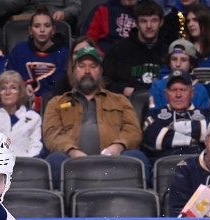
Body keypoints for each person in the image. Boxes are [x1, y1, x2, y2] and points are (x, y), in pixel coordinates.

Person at [43, 44, 149, 187]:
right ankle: (64, 207)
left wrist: (118, 146)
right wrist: (72, 151)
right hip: (72, 162)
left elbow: (133, 130)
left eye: (93, 66)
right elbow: (51, 134)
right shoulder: (56, 103)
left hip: (112, 161)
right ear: (73, 71)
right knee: (55, 160)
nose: (87, 71)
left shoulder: (120, 100)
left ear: (100, 71)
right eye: (82, 66)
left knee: (138, 158)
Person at [5, 6, 70, 111]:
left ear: (53, 30)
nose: (42, 30)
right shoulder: (19, 50)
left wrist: (40, 102)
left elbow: (64, 89)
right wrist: (23, 87)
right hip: (21, 105)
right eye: (37, 26)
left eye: (47, 26)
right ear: (30, 30)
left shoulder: (63, 53)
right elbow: (9, 79)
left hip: (53, 107)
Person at [102, 1, 167, 98]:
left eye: (154, 20)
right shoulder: (119, 49)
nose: (149, 26)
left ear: (161, 22)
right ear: (136, 23)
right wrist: (123, 90)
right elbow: (105, 82)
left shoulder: (168, 51)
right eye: (143, 21)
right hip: (125, 104)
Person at [142, 69, 209, 158]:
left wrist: (171, 129)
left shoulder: (206, 113)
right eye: (173, 90)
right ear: (166, 94)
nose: (178, 95)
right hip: (166, 166)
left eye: (183, 90)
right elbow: (155, 138)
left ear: (192, 93)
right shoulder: (154, 115)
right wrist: (194, 139)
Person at [0, 69, 43, 157]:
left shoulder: (34, 117)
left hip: (25, 165)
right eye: (3, 88)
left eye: (13, 88)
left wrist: (23, 162)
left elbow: (36, 148)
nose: (8, 92)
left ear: (20, 92)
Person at [148, 39, 210, 111]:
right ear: (169, 62)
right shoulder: (158, 87)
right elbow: (154, 115)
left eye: (183, 60)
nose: (178, 64)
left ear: (191, 64)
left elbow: (204, 118)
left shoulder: (200, 90)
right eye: (174, 59)